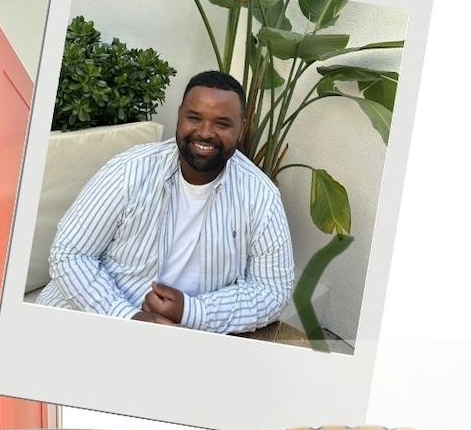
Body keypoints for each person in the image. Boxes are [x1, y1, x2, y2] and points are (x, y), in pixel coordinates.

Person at [36, 70, 294, 334]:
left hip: (183, 335)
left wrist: (192, 311)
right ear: (180, 115)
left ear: (242, 128)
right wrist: (127, 316)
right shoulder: (130, 170)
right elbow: (70, 253)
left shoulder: (261, 197)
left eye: (222, 124)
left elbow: (272, 291)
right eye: (194, 118)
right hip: (89, 318)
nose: (205, 133)